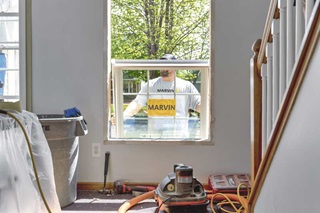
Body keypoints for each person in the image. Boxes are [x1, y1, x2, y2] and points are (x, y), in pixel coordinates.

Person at [120, 54, 201, 138]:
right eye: (162, 64)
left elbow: (200, 105)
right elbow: (137, 104)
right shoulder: (150, 85)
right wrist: (123, 116)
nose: (164, 67)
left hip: (179, 138)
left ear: (175, 67)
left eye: (167, 65)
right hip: (155, 138)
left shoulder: (186, 86)